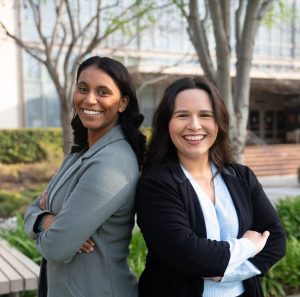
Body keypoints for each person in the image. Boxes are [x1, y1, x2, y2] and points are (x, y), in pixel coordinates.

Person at [135, 77, 286, 297]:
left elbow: (276, 240)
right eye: (182, 115)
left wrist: (222, 272)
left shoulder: (241, 176)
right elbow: (187, 253)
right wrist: (247, 247)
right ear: (167, 124)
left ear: (219, 122)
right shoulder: (156, 184)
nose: (194, 125)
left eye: (205, 115)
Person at [24, 56, 146, 297]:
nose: (89, 99)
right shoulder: (79, 155)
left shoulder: (112, 163)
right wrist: (45, 221)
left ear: (122, 103)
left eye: (103, 92)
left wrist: (57, 230)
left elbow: (58, 247)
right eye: (83, 89)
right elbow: (31, 209)